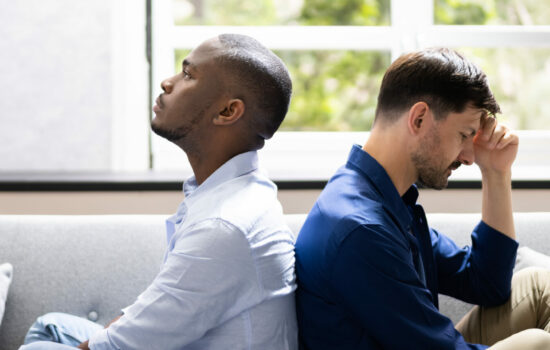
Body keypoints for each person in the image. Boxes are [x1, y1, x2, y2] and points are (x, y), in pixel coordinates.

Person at [20, 34, 297, 350]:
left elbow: (117, 347)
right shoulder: (228, 192)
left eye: (188, 75)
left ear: (227, 111)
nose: (168, 82)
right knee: (53, 326)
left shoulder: (224, 226)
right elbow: (148, 315)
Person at [295, 48, 550, 349]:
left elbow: (487, 284)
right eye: (464, 134)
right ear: (418, 119)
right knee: (537, 343)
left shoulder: (386, 200)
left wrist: (496, 173)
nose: (470, 156)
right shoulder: (361, 231)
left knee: (539, 284)